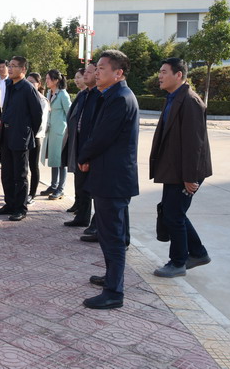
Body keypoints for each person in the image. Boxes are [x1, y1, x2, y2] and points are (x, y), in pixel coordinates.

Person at [77, 50, 139, 309]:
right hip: (107, 176)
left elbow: (102, 136)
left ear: (118, 73)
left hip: (113, 179)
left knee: (113, 237)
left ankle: (114, 292)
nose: (97, 72)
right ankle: (111, 278)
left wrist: (84, 155)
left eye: (102, 68)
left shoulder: (120, 99)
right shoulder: (111, 95)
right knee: (107, 234)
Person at [149, 57, 213, 278]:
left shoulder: (190, 101)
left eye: (164, 72)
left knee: (174, 215)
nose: (160, 76)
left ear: (178, 75)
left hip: (185, 171)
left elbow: (194, 144)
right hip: (173, 168)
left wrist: (190, 177)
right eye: (160, 71)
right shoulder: (174, 97)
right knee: (172, 212)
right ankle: (198, 253)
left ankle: (177, 263)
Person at [0, 56, 43, 222]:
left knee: (20, 175)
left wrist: (27, 131)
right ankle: (10, 204)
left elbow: (37, 115)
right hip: (6, 135)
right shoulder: (9, 85)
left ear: (23, 70)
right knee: (6, 173)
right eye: (10, 65)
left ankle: (20, 208)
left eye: (14, 66)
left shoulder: (28, 89)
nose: (10, 68)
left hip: (20, 137)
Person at [63, 63, 98, 230]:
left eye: (89, 72)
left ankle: (95, 223)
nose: (85, 75)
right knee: (80, 183)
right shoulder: (84, 94)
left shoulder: (100, 95)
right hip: (78, 143)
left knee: (94, 187)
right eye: (85, 72)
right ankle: (82, 216)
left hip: (91, 146)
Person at [41, 70, 71, 200]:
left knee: (61, 161)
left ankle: (61, 188)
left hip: (60, 132)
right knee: (53, 159)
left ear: (56, 80)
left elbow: (70, 113)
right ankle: (53, 185)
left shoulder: (63, 94)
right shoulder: (49, 93)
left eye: (49, 78)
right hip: (51, 132)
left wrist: (68, 131)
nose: (46, 81)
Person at [25, 73, 49, 204]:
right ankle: (22, 192)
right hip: (24, 136)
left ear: (39, 84)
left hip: (35, 136)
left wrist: (32, 133)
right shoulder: (25, 96)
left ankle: (32, 193)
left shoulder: (42, 100)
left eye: (32, 82)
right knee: (23, 167)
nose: (29, 84)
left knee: (33, 166)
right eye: (27, 81)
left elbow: (41, 121)